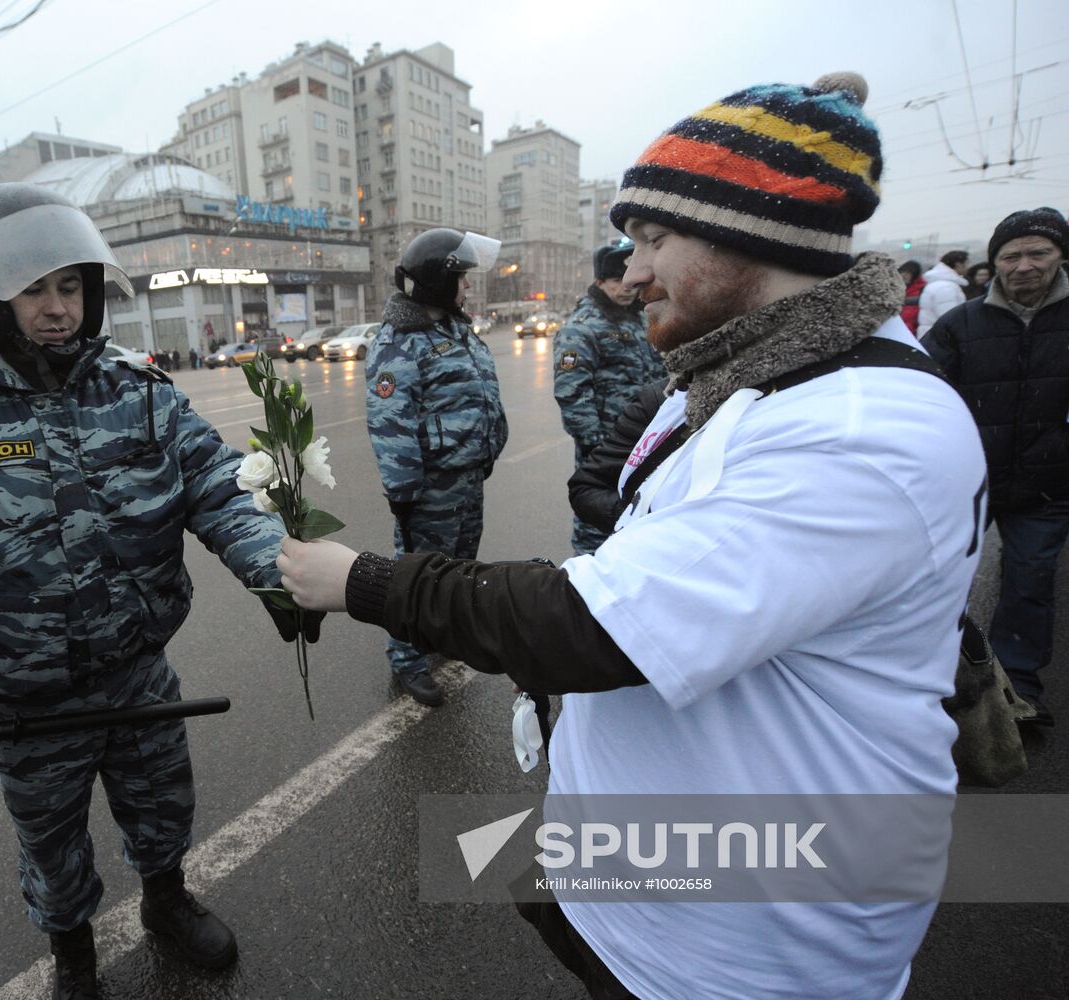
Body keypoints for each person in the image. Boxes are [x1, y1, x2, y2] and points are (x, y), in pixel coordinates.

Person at [278, 72, 987, 1000]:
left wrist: (363, 581)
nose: (631, 267)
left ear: (752, 232)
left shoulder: (854, 428)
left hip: (746, 941)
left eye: (654, 238)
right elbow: (636, 476)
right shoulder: (749, 369)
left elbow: (595, 628)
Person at [0, 183, 314, 999]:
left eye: (69, 287)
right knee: (52, 845)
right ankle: (73, 957)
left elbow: (221, 490)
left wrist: (279, 573)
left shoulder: (140, 392)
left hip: (137, 673)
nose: (56, 309)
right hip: (23, 700)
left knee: (162, 807)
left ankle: (165, 902)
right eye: (33, 290)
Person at [923, 206, 1069, 727]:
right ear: (994, 261)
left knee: (1030, 581)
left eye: (1038, 253)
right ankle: (936, 682)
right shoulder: (962, 322)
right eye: (1011, 255)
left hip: (1049, 485)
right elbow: (920, 389)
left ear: (1060, 257)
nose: (1023, 265)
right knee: (937, 579)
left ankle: (1019, 691)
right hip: (970, 481)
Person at [364, 226, 508, 707]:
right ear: (434, 280)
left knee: (459, 568)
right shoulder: (399, 340)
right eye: (461, 278)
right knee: (416, 575)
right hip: (428, 489)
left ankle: (443, 639)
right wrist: (403, 492)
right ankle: (406, 657)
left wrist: (485, 450)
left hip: (467, 478)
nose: (467, 287)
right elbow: (390, 420)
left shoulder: (450, 326)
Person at [552, 241, 664, 555]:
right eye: (616, 281)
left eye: (626, 278)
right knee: (596, 526)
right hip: (608, 447)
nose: (625, 288)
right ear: (600, 282)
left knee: (636, 519)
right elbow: (572, 393)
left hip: (647, 441)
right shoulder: (582, 329)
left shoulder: (638, 318)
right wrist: (598, 445)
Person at [916, 249, 969, 336]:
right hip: (940, 338)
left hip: (931, 335)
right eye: (967, 264)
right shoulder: (946, 287)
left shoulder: (939, 283)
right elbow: (950, 318)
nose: (968, 267)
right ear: (958, 265)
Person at [898, 259, 924, 334]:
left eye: (909, 273)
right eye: (903, 271)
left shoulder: (920, 290)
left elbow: (910, 317)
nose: (904, 275)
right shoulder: (891, 288)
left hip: (908, 332)